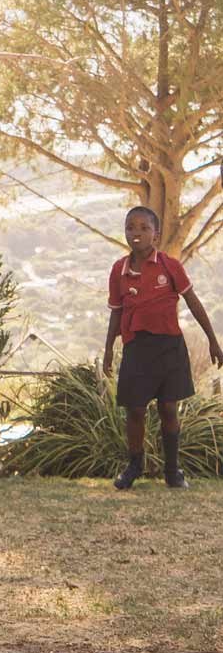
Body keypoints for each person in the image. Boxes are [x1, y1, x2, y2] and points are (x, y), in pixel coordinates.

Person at [104, 205, 223, 491]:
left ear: (155, 235)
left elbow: (193, 302)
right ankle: (134, 465)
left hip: (170, 346)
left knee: (169, 408)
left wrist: (212, 340)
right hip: (136, 347)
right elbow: (116, 312)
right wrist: (109, 348)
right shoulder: (119, 269)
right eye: (131, 227)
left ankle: (173, 471)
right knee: (134, 409)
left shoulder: (170, 266)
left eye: (144, 228)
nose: (136, 233)